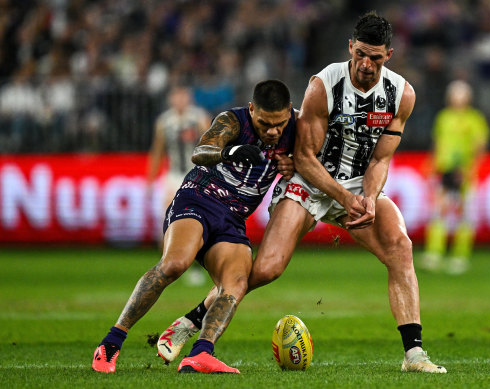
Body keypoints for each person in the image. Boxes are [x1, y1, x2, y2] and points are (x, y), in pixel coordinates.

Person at [159, 11, 446, 374]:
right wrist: (345, 199)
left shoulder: (401, 95)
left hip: (358, 184)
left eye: (375, 57)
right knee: (265, 268)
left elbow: (380, 159)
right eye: (360, 54)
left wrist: (369, 199)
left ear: (388, 55)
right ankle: (191, 321)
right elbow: (305, 158)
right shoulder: (323, 85)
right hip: (310, 181)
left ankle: (414, 355)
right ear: (350, 48)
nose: (367, 64)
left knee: (400, 246)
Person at [91, 79, 296, 374]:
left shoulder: (298, 127)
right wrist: (230, 152)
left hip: (233, 219)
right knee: (174, 264)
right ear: (252, 110)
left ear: (289, 112)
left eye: (279, 123)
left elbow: (311, 157)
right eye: (265, 123)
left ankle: (200, 353)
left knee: (237, 283)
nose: (273, 131)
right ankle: (111, 343)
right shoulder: (233, 120)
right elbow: (200, 151)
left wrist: (292, 164)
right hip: (199, 198)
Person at [420, 80, 489, 274]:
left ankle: (460, 256)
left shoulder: (475, 119)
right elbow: (438, 143)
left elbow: (480, 147)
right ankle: (434, 253)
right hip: (444, 171)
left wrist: (470, 168)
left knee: (465, 214)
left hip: (465, 173)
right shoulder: (443, 117)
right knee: (438, 212)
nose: (457, 100)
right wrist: (432, 164)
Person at [146, 85, 212, 285]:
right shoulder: (164, 121)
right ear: (171, 99)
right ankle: (168, 266)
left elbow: (212, 144)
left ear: (188, 97)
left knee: (199, 221)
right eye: (176, 96)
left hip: (195, 174)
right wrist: (150, 179)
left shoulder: (199, 117)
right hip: (173, 176)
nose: (180, 100)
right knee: (167, 221)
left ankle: (196, 267)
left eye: (183, 95)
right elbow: (157, 150)